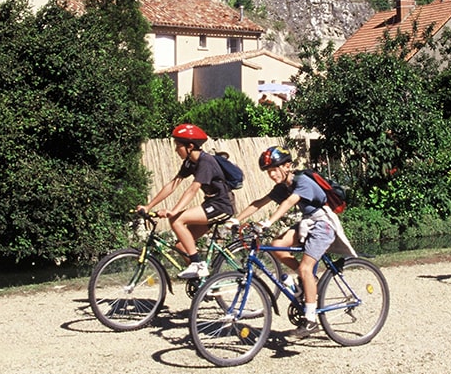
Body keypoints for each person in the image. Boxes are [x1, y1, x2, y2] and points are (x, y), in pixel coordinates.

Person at [237, 146, 349, 338]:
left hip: (323, 225)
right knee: (277, 246)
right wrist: (235, 219)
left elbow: (289, 203)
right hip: (307, 223)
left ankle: (311, 321)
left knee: (306, 268)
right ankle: (309, 282)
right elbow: (259, 202)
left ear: (287, 166)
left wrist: (269, 222)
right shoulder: (283, 186)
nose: (271, 174)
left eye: (274, 169)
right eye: (268, 171)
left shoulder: (302, 182)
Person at [141, 123, 236, 280]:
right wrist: (148, 205)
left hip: (222, 206)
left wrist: (174, 210)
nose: (176, 149)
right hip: (210, 205)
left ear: (190, 146)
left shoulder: (206, 162)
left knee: (176, 219)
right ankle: (204, 284)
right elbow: (173, 184)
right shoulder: (190, 162)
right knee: (181, 246)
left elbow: (192, 189)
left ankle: (198, 265)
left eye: (178, 146)